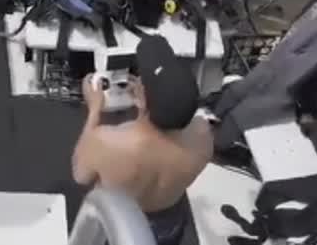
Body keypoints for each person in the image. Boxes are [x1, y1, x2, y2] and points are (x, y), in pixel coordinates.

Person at [71, 35, 213, 245]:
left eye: (140, 79)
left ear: (140, 98)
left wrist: (94, 110)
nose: (136, 80)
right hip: (168, 227)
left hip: (123, 227)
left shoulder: (107, 143)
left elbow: (80, 176)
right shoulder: (203, 135)